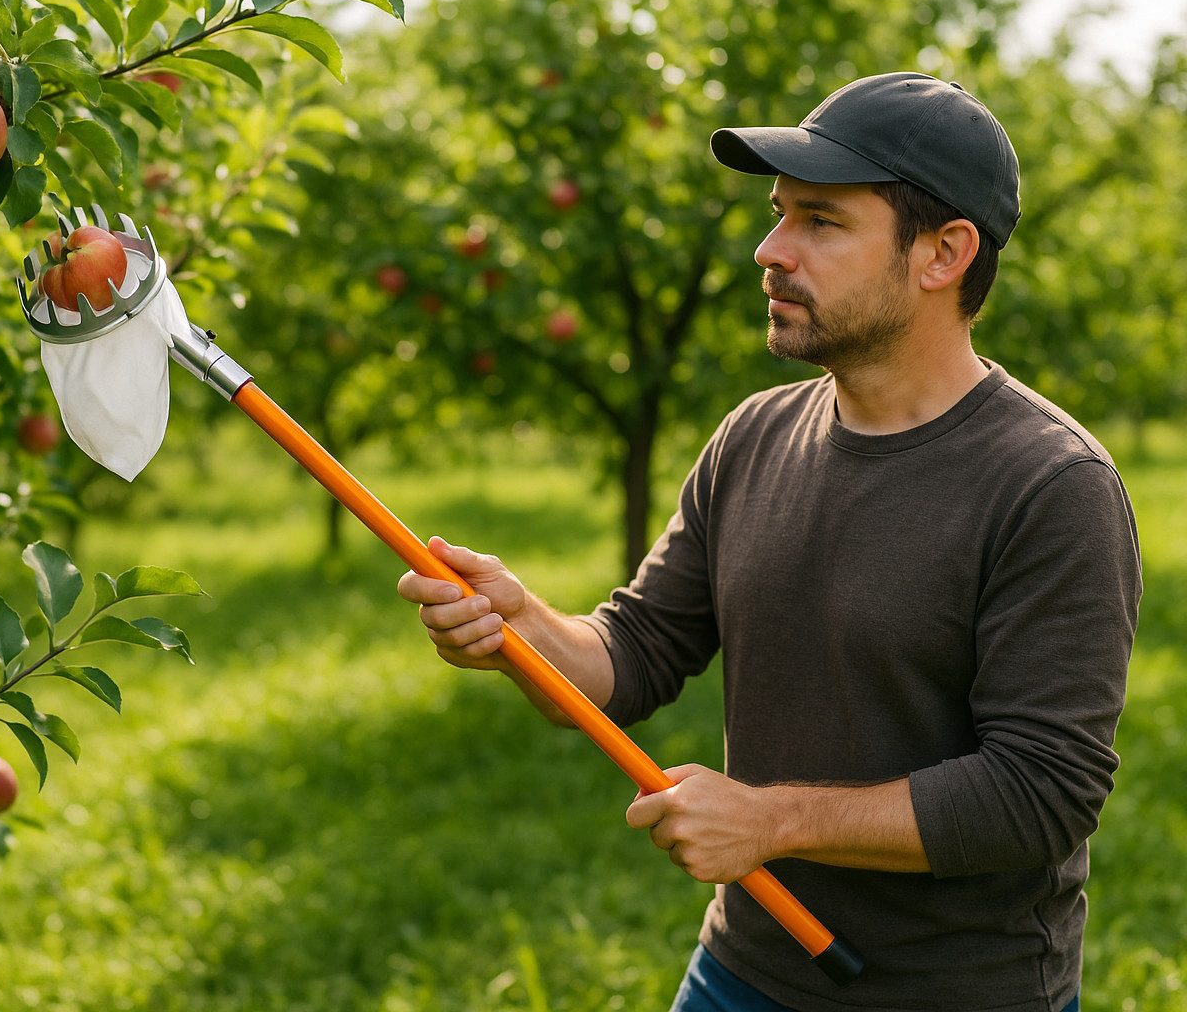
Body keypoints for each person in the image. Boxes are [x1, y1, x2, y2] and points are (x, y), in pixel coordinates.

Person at [397, 72, 1141, 1012]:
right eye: (778, 214)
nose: (768, 250)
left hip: (956, 992)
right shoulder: (753, 436)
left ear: (943, 253)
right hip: (743, 970)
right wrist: (523, 630)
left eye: (819, 222)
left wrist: (770, 821)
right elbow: (635, 653)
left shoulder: (1051, 486)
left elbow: (1041, 793)